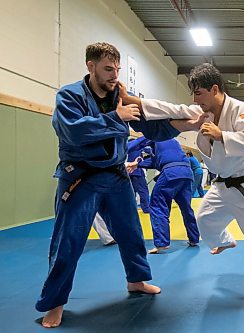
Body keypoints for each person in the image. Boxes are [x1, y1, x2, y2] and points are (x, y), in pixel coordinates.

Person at [35, 42, 202, 328]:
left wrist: (183, 126)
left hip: (115, 175)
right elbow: (73, 132)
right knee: (69, 241)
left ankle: (136, 281)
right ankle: (54, 303)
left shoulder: (120, 96)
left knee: (131, 232)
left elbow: (149, 126)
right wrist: (116, 118)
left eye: (117, 69)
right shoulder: (69, 95)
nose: (114, 75)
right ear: (91, 66)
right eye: (107, 69)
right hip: (80, 178)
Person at [120, 63, 244, 312]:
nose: (195, 99)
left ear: (214, 89)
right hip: (223, 185)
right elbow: (171, 108)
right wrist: (131, 100)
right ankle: (224, 240)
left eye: (199, 93)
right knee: (204, 220)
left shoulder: (242, 110)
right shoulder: (203, 112)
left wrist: (222, 134)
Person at [128, 139, 200, 254]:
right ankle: (194, 238)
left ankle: (162, 243)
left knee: (157, 206)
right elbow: (156, 161)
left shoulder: (155, 135)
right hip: (186, 173)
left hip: (171, 172)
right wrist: (138, 164)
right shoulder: (172, 142)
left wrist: (117, 148)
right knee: (186, 208)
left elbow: (134, 144)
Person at [127, 137, 152, 213]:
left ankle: (131, 209)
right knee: (143, 191)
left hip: (128, 172)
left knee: (131, 192)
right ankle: (146, 209)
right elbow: (150, 151)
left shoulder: (126, 149)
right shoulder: (138, 147)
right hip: (137, 172)